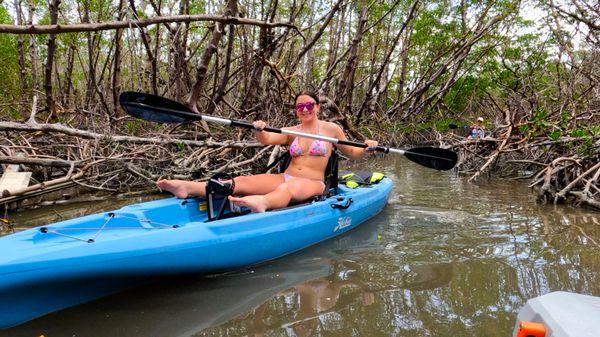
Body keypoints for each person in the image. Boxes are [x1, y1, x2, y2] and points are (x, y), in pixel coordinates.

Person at [156, 91, 378, 213]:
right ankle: (188, 187)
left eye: (309, 105)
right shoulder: (291, 131)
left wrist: (366, 148)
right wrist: (259, 130)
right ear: (296, 111)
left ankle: (263, 202)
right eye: (300, 107)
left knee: (287, 188)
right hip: (286, 176)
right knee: (241, 181)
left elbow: (351, 152)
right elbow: (268, 139)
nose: (305, 110)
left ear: (318, 107)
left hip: (313, 183)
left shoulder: (331, 129)